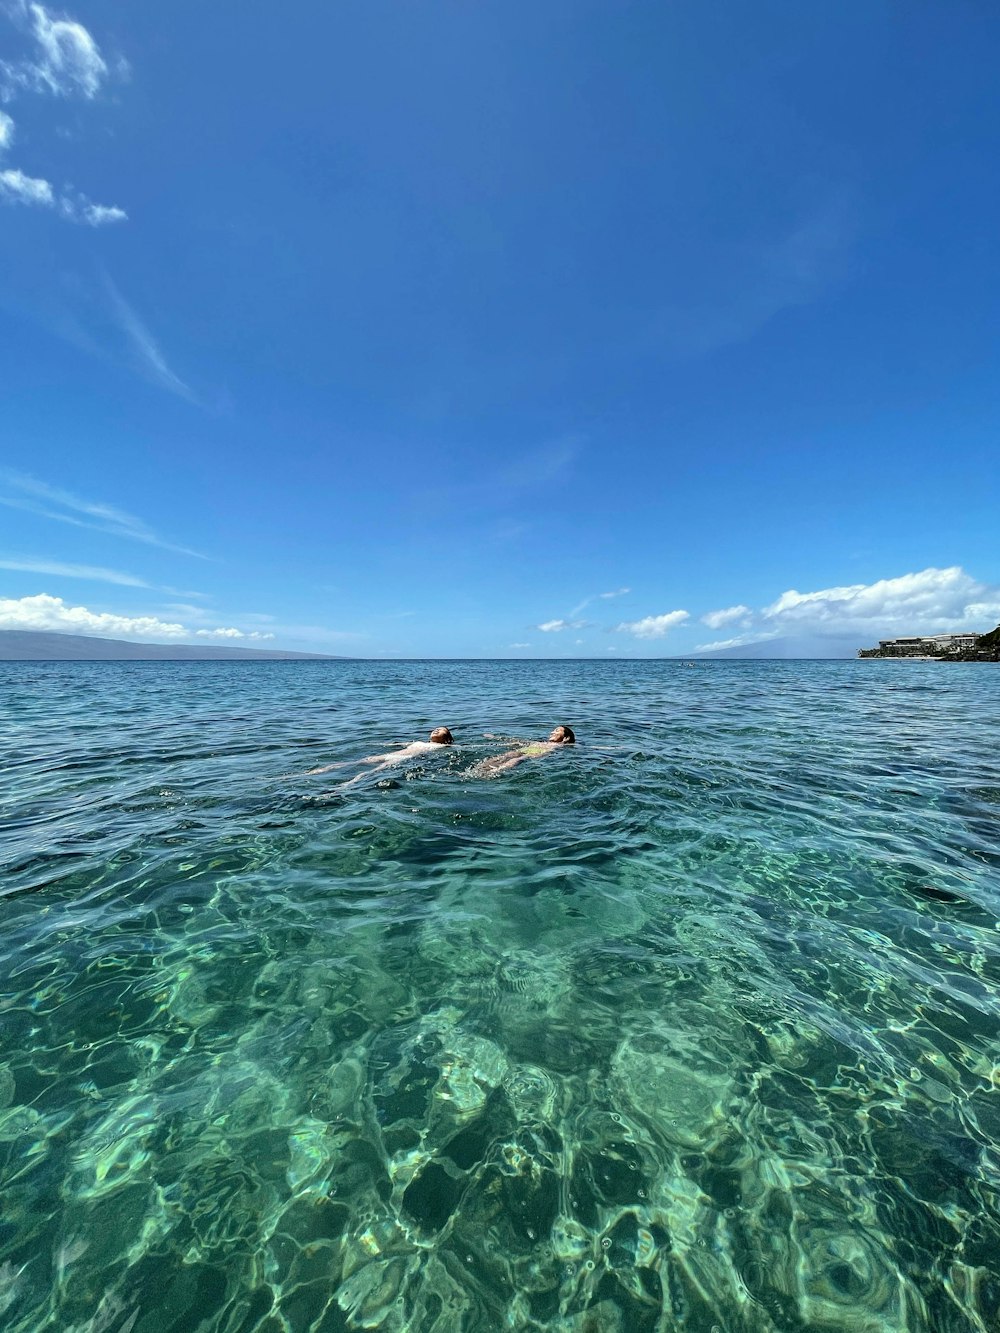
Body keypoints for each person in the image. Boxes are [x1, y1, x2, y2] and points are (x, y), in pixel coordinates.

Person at [308, 727, 454, 779]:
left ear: (446, 738)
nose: (436, 730)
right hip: (391, 754)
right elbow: (398, 744)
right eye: (435, 728)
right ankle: (308, 773)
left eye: (440, 729)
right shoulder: (419, 742)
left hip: (400, 759)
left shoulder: (442, 747)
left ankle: (345, 786)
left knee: (370, 772)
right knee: (353, 763)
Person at [476, 725, 575, 775]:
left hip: (537, 753)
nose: (552, 732)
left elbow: (580, 747)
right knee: (503, 756)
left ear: (566, 737)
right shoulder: (543, 742)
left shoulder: (560, 745)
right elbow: (520, 741)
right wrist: (496, 738)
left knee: (520, 759)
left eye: (557, 730)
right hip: (525, 749)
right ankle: (478, 770)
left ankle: (494, 772)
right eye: (553, 730)